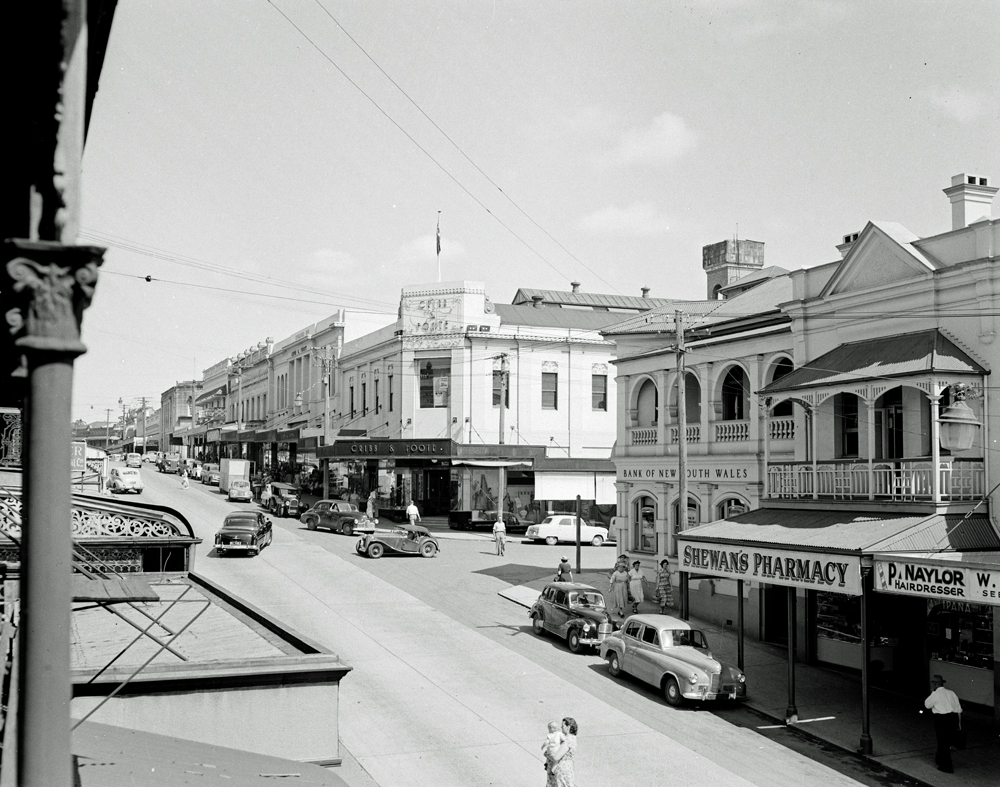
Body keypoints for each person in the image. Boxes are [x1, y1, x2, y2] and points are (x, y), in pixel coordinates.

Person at [924, 674, 962, 772]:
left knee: (942, 742)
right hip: (953, 718)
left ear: (935, 685)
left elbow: (927, 705)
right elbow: (958, 710)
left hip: (941, 719)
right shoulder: (951, 693)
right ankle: (939, 760)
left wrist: (932, 693)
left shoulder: (935, 694)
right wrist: (959, 724)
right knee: (947, 741)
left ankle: (947, 767)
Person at [545, 717, 577, 787]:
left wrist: (546, 754)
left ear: (568, 727)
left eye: (563, 726)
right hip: (564, 770)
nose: (561, 728)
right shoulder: (570, 738)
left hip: (561, 772)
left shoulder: (568, 740)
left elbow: (556, 757)